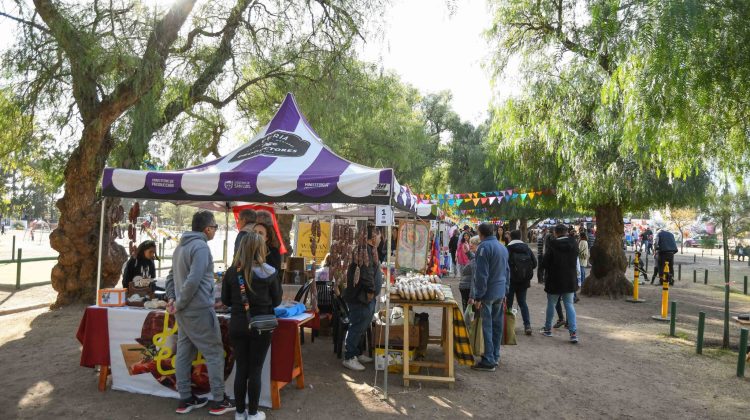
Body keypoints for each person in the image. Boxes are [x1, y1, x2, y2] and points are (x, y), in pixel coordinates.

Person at [166, 210, 235, 415]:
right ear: (207, 229)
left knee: (184, 353)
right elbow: (193, 281)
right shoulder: (201, 247)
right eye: (215, 227)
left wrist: (173, 299)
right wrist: (178, 302)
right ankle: (218, 400)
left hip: (185, 310)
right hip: (198, 309)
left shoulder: (181, 246)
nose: (215, 231)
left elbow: (171, 277)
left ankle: (185, 398)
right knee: (214, 353)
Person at [222, 232, 282, 420]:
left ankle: (240, 413)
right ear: (261, 250)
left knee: (242, 369)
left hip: (238, 324)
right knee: (255, 369)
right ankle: (254, 413)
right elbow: (277, 301)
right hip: (261, 327)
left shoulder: (232, 272)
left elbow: (226, 300)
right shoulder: (270, 272)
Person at [468, 223, 509, 371]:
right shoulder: (502, 247)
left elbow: (481, 275)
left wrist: (478, 297)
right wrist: (506, 291)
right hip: (500, 291)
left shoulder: (483, 248)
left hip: (488, 293)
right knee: (497, 325)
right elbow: (507, 271)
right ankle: (495, 356)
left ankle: (489, 359)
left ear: (480, 233)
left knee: (488, 326)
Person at [342, 225, 381, 371]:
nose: (380, 238)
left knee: (362, 326)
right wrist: (371, 290)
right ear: (373, 236)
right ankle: (349, 356)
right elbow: (366, 273)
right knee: (357, 325)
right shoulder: (363, 251)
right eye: (379, 235)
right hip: (361, 297)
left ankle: (357, 353)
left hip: (366, 297)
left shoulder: (370, 250)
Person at [540, 224, 580, 344]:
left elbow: (545, 262)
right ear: (566, 232)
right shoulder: (574, 243)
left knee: (551, 304)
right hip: (569, 279)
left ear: (555, 233)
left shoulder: (552, 244)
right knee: (569, 305)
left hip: (554, 279)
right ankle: (573, 333)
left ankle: (548, 329)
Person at [506, 230, 536, 335]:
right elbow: (535, 263)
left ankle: (508, 327)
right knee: (523, 303)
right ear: (520, 236)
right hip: (524, 281)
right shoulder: (526, 248)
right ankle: (527, 325)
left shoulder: (508, 248)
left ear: (510, 237)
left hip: (510, 281)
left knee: (508, 304)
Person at [458, 235, 480, 309]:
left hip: (468, 290)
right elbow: (473, 258)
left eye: (474, 243)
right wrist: (467, 252)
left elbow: (475, 280)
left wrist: (472, 296)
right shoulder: (476, 257)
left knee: (469, 314)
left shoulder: (477, 259)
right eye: (471, 242)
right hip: (466, 289)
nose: (471, 245)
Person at [577, 231, 589, 298]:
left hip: (581, 258)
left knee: (581, 271)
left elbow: (579, 249)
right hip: (584, 257)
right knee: (583, 270)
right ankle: (583, 282)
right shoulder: (586, 241)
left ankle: (581, 283)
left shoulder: (581, 242)